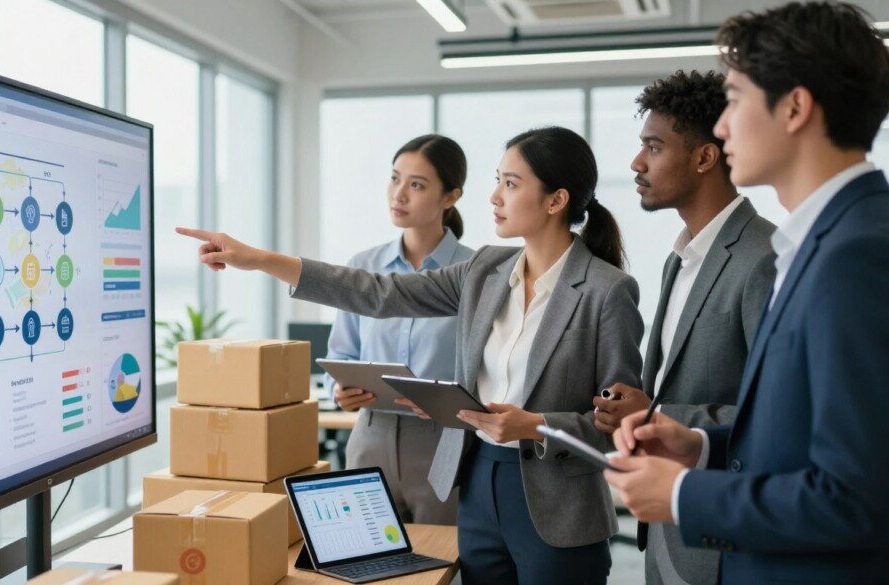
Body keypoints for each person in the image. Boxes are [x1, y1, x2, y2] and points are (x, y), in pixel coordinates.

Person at [177, 126, 644, 585]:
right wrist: (260, 260)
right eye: (498, 181)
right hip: (477, 482)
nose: (494, 197)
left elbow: (619, 423)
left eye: (510, 183)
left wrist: (536, 426)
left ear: (556, 200)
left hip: (559, 503)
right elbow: (379, 292)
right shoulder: (485, 270)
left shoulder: (607, 290)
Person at [604, 3, 889, 584]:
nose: (721, 127)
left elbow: (859, 499)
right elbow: (802, 437)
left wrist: (686, 495)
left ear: (795, 108)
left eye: (736, 99)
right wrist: (701, 446)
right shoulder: (819, 243)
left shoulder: (858, 255)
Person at [593, 70, 776, 585]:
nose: (637, 162)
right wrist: (634, 407)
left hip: (722, 539)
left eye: (653, 147)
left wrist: (657, 414)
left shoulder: (765, 258)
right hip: (667, 530)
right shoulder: (680, 258)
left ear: (704, 158)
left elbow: (776, 416)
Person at [325, 134, 474, 525]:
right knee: (365, 551)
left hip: (443, 440)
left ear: (450, 197)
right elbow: (341, 353)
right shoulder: (364, 267)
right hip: (369, 435)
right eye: (395, 178)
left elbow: (489, 371)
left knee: (440, 555)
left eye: (417, 185)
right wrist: (338, 389)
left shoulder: (476, 274)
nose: (399, 194)